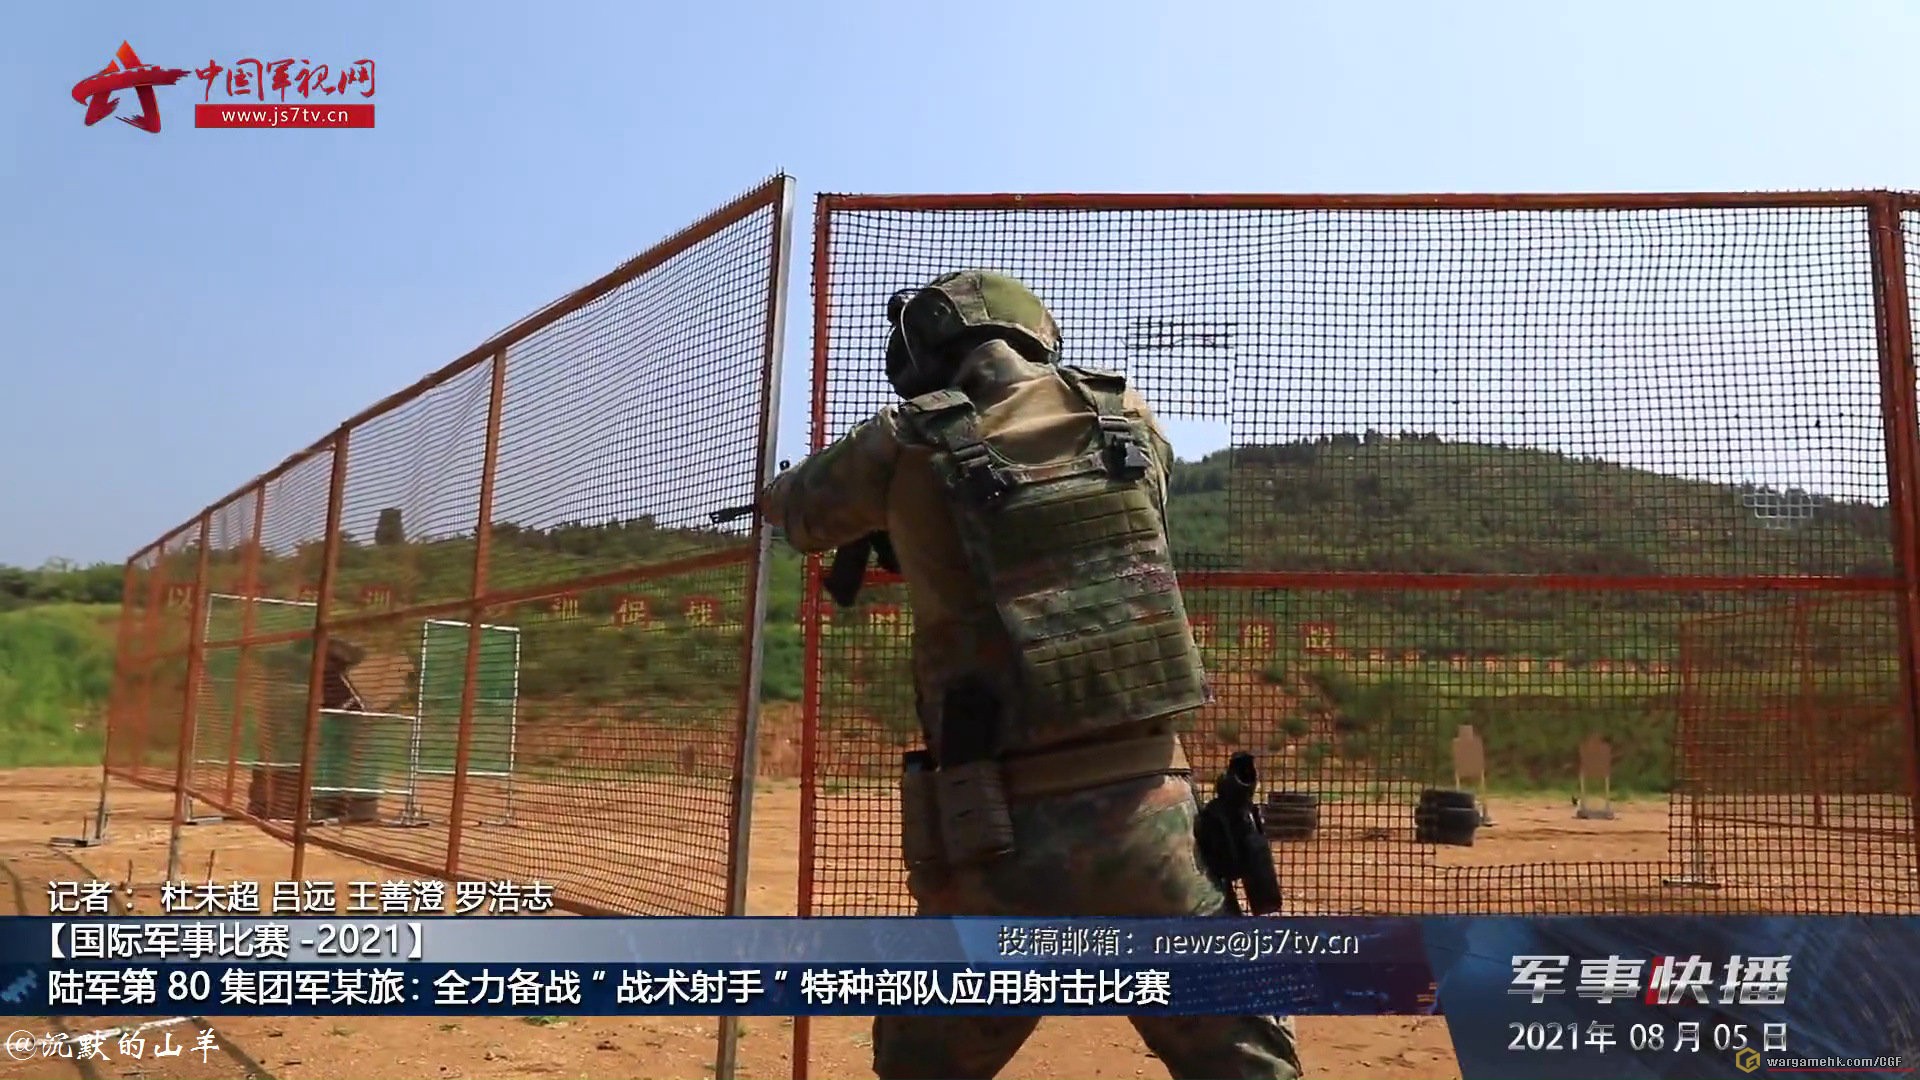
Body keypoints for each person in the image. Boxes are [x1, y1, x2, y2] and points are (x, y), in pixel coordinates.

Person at [761, 270, 1304, 1080]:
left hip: (994, 831)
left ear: (925, 357)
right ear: (1034, 335)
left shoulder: (901, 441)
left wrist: (876, 511)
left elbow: (796, 512)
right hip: (1153, 818)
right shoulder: (1125, 415)